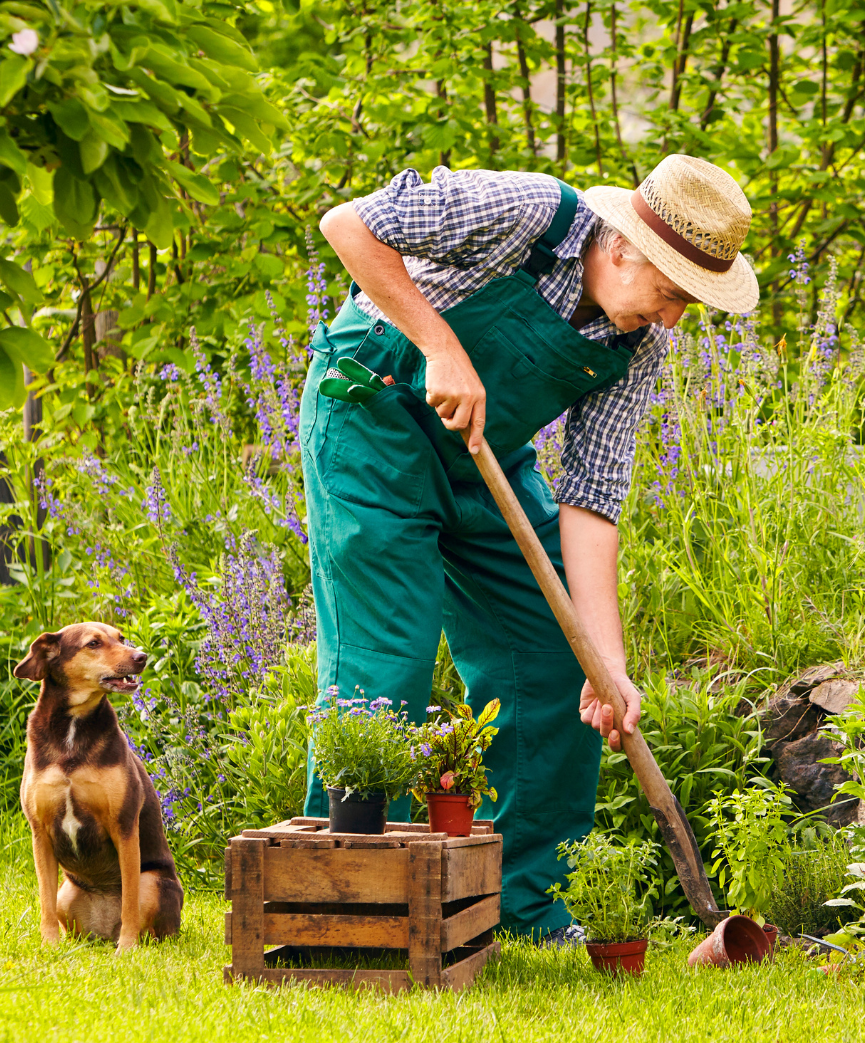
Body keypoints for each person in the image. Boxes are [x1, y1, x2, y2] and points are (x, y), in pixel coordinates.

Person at [300, 155, 760, 937]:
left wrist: (606, 665)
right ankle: (347, 905)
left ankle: (517, 900)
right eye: (673, 293)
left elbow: (593, 500)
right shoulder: (525, 212)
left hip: (485, 461)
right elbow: (348, 224)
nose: (675, 319)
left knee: (559, 660)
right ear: (621, 249)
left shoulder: (631, 347)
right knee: (388, 669)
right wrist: (441, 347)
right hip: (371, 427)